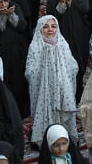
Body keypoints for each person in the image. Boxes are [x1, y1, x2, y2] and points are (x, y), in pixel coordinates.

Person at [25, 15, 78, 145]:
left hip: (62, 89)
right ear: (40, 29)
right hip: (43, 91)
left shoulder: (63, 44)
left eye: (53, 26)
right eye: (46, 27)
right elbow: (30, 71)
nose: (50, 30)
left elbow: (72, 66)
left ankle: (65, 138)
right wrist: (46, 69)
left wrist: (60, 73)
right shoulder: (35, 46)